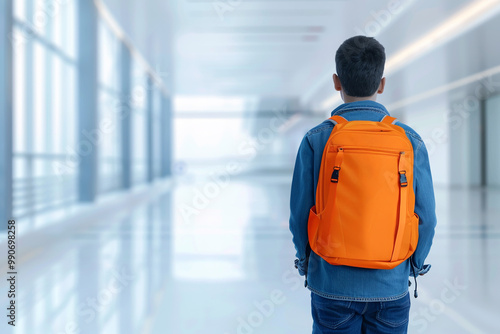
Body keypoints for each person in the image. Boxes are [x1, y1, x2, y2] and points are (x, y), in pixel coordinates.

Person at [289, 35, 437, 334]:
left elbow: (300, 214)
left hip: (332, 283)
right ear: (381, 84)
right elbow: (427, 218)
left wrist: (307, 264)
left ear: (336, 81)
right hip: (391, 284)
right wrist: (414, 265)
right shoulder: (409, 140)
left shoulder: (317, 139)